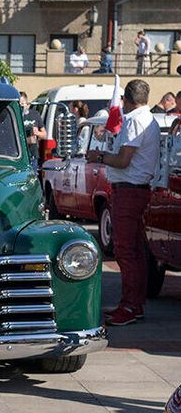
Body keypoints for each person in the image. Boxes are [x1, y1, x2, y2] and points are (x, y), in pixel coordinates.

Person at [85, 79, 160, 326]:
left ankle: (130, 305)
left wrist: (100, 156)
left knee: (126, 251)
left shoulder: (135, 120)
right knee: (135, 251)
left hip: (129, 191)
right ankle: (133, 304)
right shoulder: (147, 118)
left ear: (126, 100)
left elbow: (123, 160)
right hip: (135, 189)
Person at [19, 92, 46, 168]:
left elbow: (44, 134)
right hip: (20, 154)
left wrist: (37, 133)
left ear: (27, 104)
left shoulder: (35, 114)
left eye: (22, 104)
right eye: (18, 104)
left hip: (33, 153)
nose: (21, 107)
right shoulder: (16, 116)